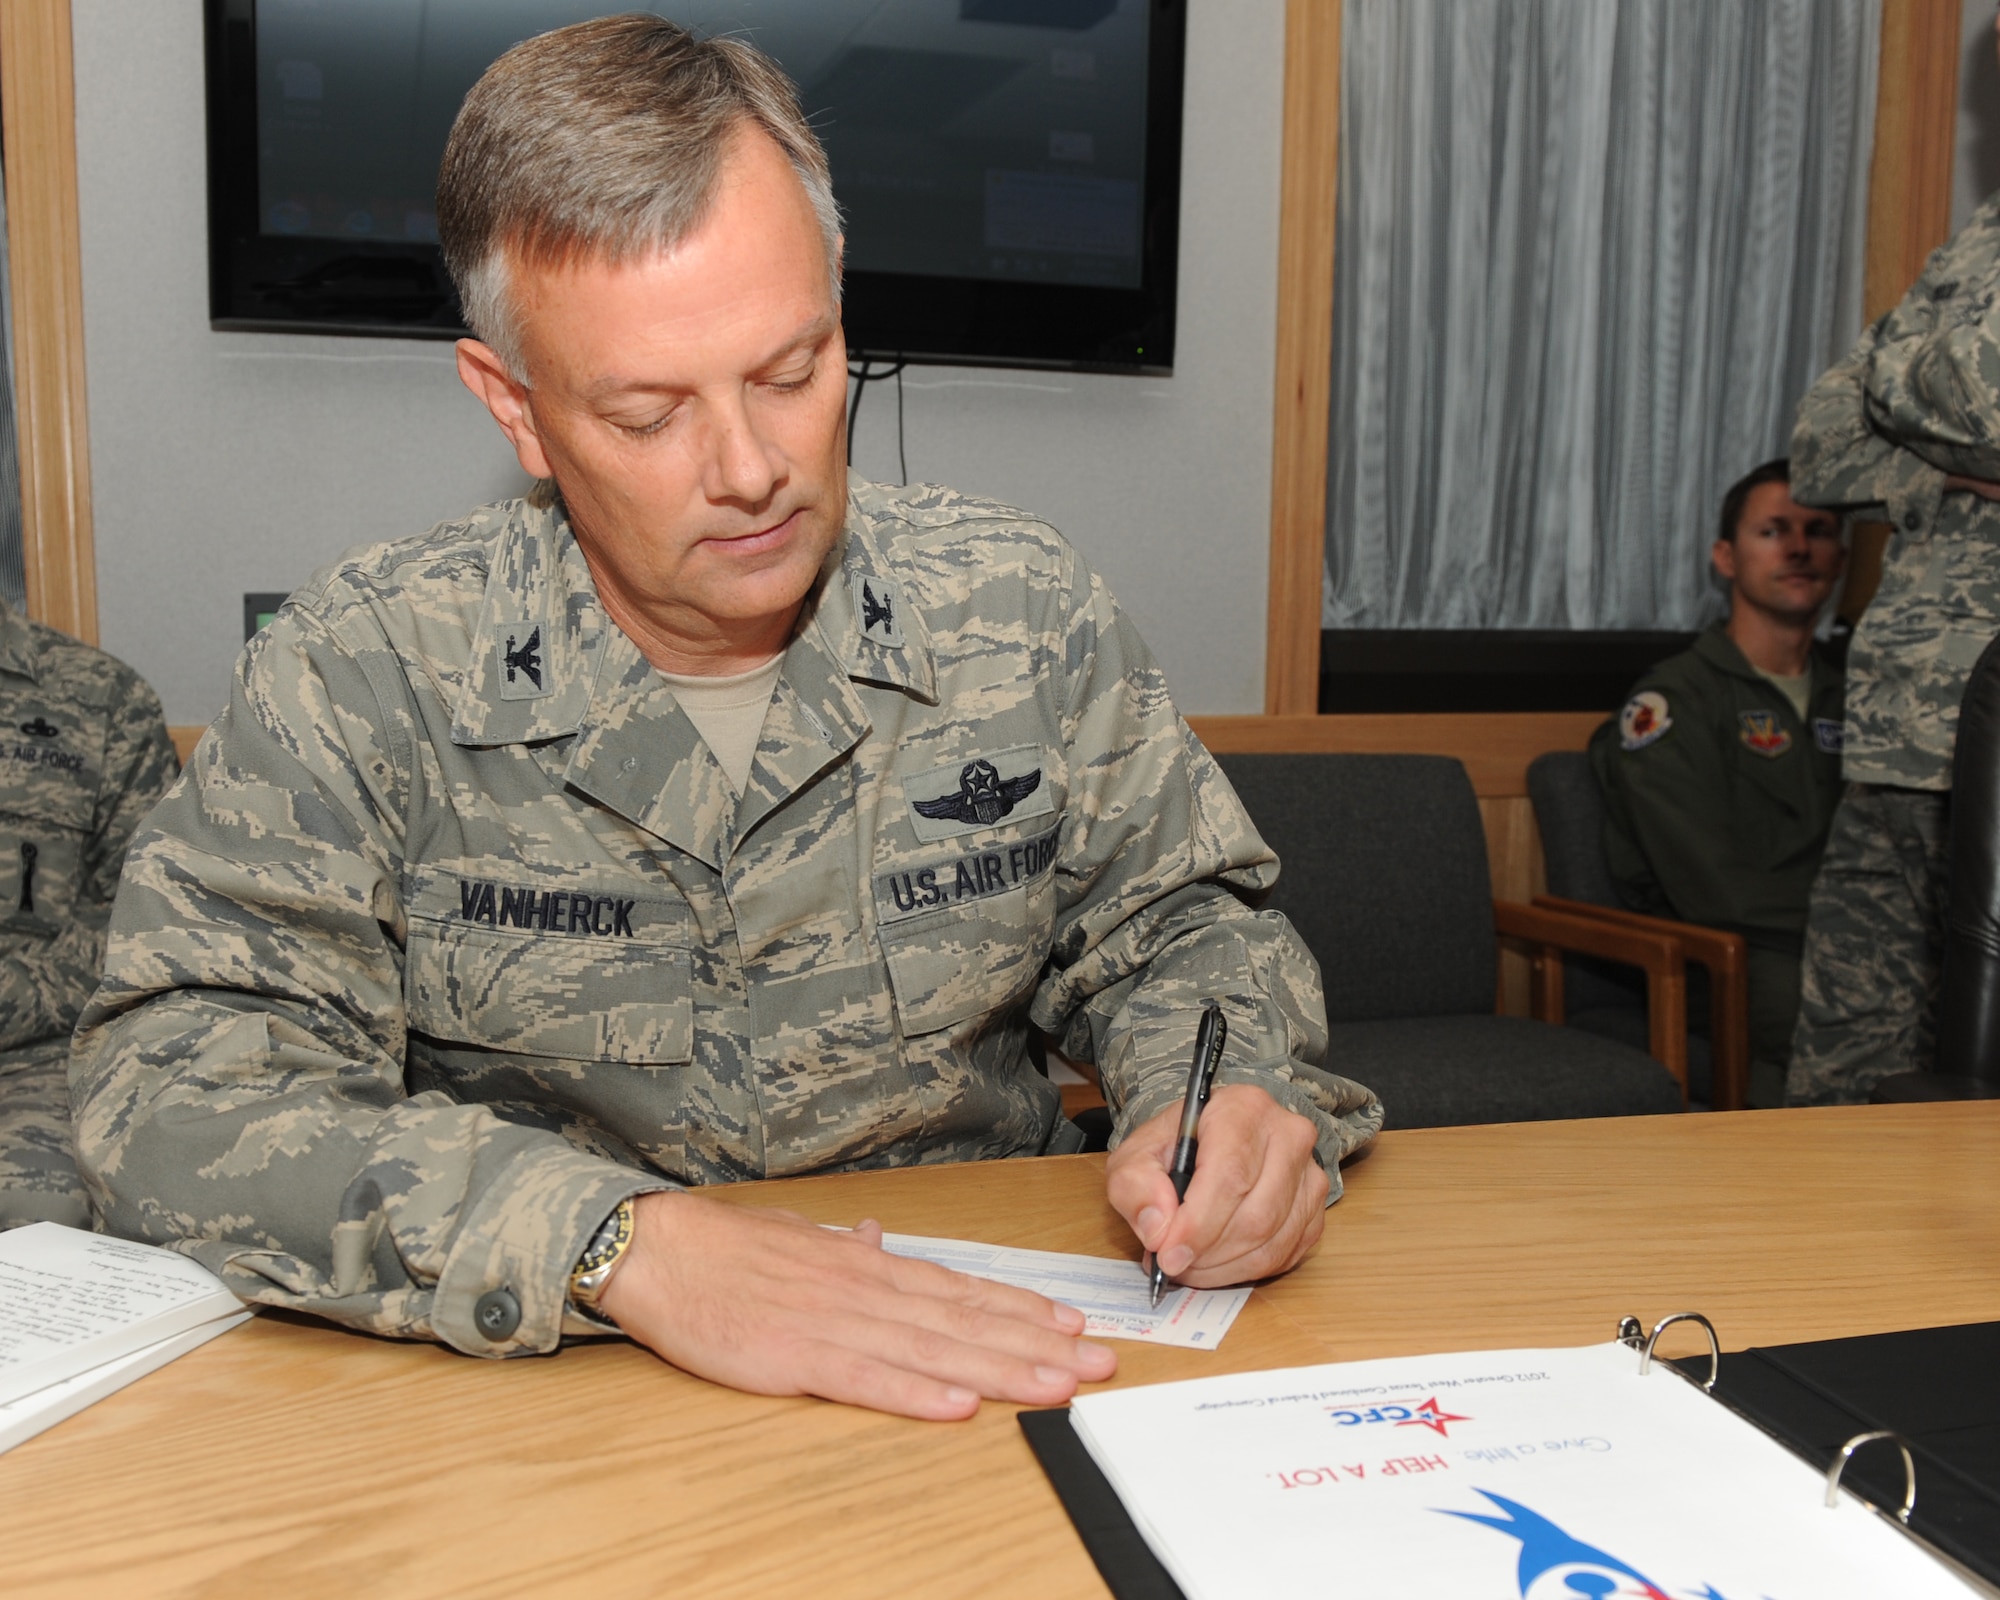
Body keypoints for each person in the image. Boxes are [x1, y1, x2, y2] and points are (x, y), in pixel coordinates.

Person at [69, 18, 1380, 1421]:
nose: (752, 469)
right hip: (544, 1398)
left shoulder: (1021, 607)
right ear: (512, 406)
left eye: (792, 370)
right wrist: (612, 1241)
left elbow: (1184, 927)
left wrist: (1227, 1099)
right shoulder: (366, 668)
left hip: (988, 1361)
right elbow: (173, 1089)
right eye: (647, 415)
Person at [1784, 20, 2000, 1103]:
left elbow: (1978, 395)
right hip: (1899, 727)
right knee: (1844, 1083)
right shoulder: (1980, 236)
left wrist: (1898, 374)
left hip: (1993, 741)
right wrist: (1941, 465)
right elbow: (1822, 438)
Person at [1590, 460, 1846, 1109]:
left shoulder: (1862, 697)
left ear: (1840, 556)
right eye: (1773, 530)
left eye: (1817, 531)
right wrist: (1852, 930)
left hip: (1844, 936)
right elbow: (1715, 888)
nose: (1798, 547)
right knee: (1823, 1011)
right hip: (1730, 957)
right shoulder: (1674, 702)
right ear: (1726, 557)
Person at [0, 597, 176, 1227]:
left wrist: (16, 996)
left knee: (44, 1212)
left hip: (33, 1062)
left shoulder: (99, 699)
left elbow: (150, 923)